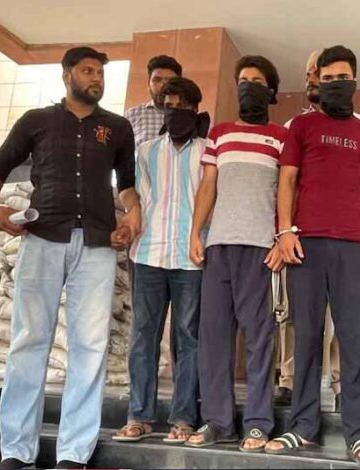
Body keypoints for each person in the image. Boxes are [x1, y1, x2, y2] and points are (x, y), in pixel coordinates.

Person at [0, 47, 141, 470]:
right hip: (42, 238)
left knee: (90, 345)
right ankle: (16, 451)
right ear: (67, 75)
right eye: (88, 71)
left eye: (100, 73)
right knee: (29, 340)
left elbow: (127, 183)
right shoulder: (36, 121)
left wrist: (133, 212)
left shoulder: (117, 127)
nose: (96, 78)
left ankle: (73, 453)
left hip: (97, 244)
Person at [265, 45, 360, 466]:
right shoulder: (301, 126)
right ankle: (303, 427)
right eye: (328, 78)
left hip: (353, 244)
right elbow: (287, 181)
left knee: (354, 337)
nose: (336, 84)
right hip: (306, 244)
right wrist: (285, 232)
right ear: (317, 82)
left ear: (354, 80)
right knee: (307, 336)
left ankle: (359, 433)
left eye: (343, 78)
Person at [186, 55, 286, 452]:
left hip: (261, 248)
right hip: (219, 246)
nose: (248, 87)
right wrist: (196, 232)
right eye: (243, 80)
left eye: (257, 81)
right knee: (213, 337)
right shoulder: (220, 134)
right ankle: (218, 421)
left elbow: (289, 192)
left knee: (260, 338)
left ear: (270, 91)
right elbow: (208, 185)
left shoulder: (281, 137)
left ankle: (258, 423)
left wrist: (281, 238)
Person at [111, 77, 210, 445]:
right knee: (143, 336)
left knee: (188, 338)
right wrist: (127, 222)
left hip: (190, 257)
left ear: (195, 110)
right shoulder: (146, 151)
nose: (175, 112)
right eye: (169, 106)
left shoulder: (208, 153)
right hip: (148, 253)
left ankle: (183, 418)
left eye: (183, 106)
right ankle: (139, 415)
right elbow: (132, 197)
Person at [125, 55, 183, 147]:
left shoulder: (192, 118)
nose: (163, 85)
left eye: (170, 80)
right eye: (157, 80)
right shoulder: (131, 116)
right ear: (149, 84)